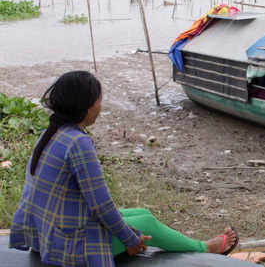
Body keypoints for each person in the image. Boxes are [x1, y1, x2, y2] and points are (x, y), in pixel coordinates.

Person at [9, 71, 238, 266]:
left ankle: (196, 243)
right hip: (68, 244)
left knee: (143, 214)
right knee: (146, 225)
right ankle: (206, 247)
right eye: (99, 100)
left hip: (45, 231)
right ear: (87, 107)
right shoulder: (78, 143)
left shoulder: (54, 132)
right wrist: (129, 239)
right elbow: (101, 207)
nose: (101, 105)